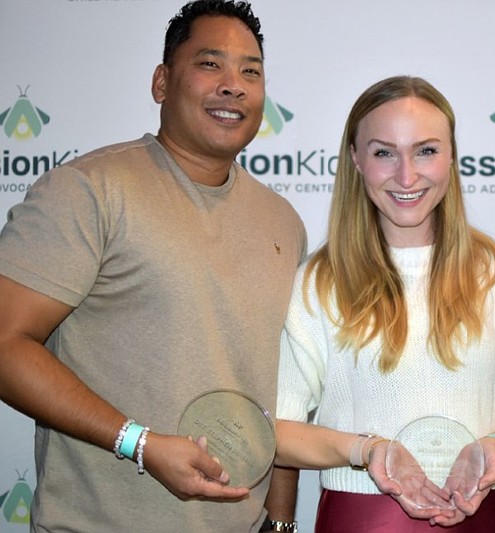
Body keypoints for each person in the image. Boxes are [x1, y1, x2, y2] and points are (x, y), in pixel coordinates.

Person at [0, 1, 306, 531]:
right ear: (162, 82)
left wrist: (279, 522)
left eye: (250, 71)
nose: (234, 85)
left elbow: (285, 398)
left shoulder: (284, 223)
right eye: (211, 64)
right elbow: (5, 344)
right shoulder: (88, 190)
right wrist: (137, 443)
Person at [272, 75, 495, 533]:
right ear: (355, 159)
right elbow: (279, 433)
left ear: (451, 156)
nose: (406, 176)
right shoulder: (317, 282)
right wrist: (368, 452)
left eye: (425, 150)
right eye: (384, 152)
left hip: (485, 520)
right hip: (359, 522)